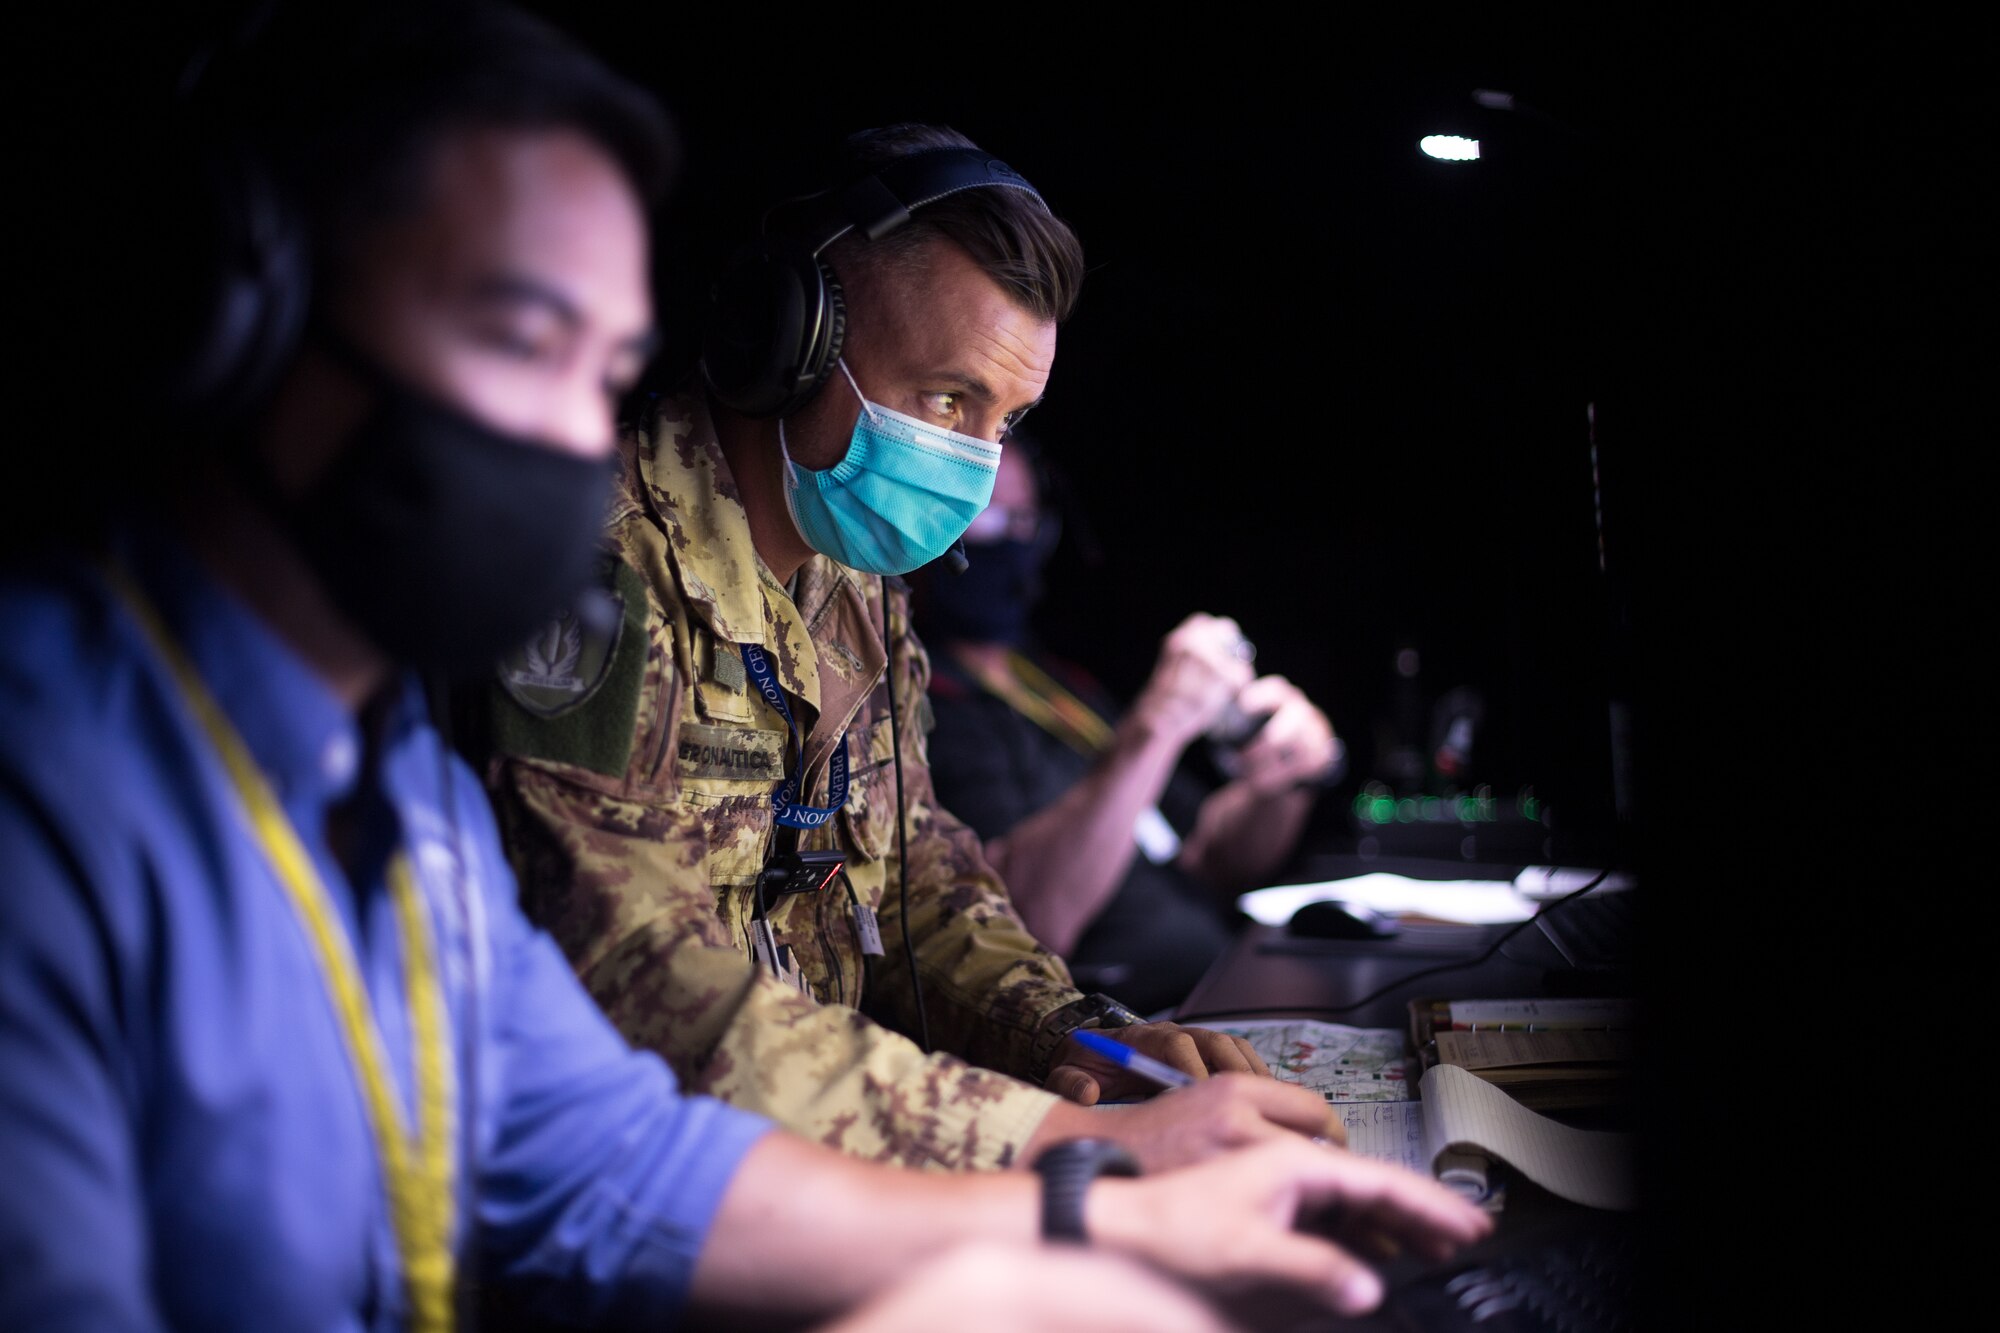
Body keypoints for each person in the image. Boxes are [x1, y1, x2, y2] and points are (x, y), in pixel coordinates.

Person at [0, 4, 1495, 1328]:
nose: (575, 438)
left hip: (794, 1186)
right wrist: (1028, 1195)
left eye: (601, 374)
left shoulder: (394, 787)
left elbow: (630, 1122)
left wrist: (1088, 1098)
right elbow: (645, 999)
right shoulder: (76, 786)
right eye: (520, 337)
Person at [472, 119, 1344, 1173]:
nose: (973, 465)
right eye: (946, 398)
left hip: (828, 1168)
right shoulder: (593, 569)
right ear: (788, 341)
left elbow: (915, 880)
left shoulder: (858, 588)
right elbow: (632, 972)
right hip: (642, 1191)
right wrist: (1039, 1131)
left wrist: (1095, 1045)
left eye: (1007, 420)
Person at [916, 436, 1346, 1015]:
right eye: (985, 516)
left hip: (1219, 990)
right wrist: (1157, 725)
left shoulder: (1056, 683)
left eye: (1024, 518)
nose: (1012, 539)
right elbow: (1023, 926)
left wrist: (1287, 778)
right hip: (1114, 1029)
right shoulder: (926, 704)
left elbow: (1212, 858)